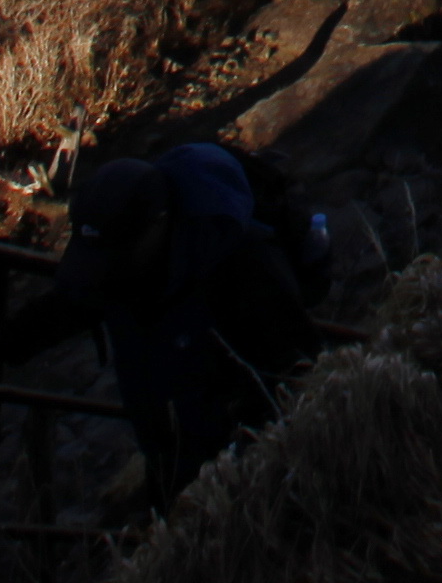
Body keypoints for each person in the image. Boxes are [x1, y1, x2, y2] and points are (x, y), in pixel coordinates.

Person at [54, 139, 321, 505]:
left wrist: (237, 473)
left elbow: (297, 371)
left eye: (114, 256)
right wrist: (2, 346)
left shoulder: (242, 264)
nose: (105, 269)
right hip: (174, 455)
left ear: (156, 227)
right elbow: (78, 297)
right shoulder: (128, 268)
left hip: (238, 485)